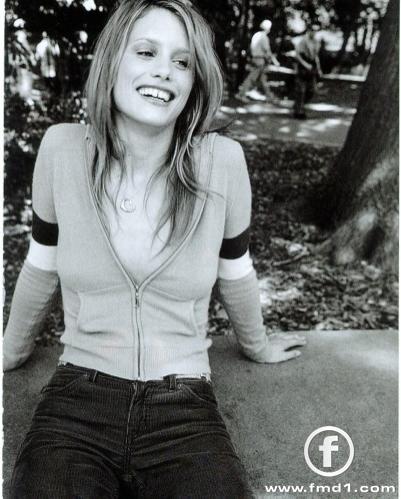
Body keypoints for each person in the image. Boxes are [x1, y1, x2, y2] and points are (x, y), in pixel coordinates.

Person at [4, 1, 306, 497]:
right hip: (76, 400)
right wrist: (11, 351)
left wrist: (257, 346)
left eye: (182, 61)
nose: (165, 71)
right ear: (112, 62)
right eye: (146, 52)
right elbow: (42, 263)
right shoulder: (61, 149)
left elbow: (236, 268)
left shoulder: (223, 162)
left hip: (185, 405)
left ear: (193, 82)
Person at [236, 19, 280, 103]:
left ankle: (269, 96)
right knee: (251, 78)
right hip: (260, 60)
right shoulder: (264, 37)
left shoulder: (256, 35)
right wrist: (275, 61)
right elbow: (267, 51)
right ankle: (241, 94)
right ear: (268, 28)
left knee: (263, 79)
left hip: (255, 58)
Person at [293, 22, 322, 119]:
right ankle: (299, 111)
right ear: (309, 31)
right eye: (312, 30)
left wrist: (318, 68)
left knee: (311, 90)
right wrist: (305, 64)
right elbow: (298, 55)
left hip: (311, 67)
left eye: (316, 30)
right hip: (303, 67)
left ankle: (298, 105)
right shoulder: (303, 41)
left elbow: (316, 56)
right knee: (301, 90)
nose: (314, 32)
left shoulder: (316, 42)